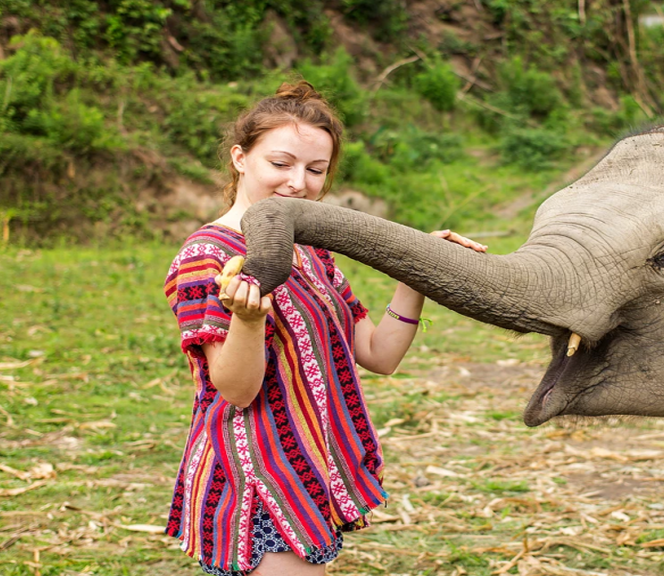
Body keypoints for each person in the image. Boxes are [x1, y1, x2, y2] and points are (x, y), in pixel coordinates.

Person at [163, 80, 486, 576]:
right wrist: (250, 321)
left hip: (312, 469)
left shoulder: (310, 250)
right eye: (281, 163)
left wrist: (418, 271)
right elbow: (235, 388)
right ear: (240, 158)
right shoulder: (205, 256)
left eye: (316, 170)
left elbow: (380, 354)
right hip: (257, 478)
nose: (298, 183)